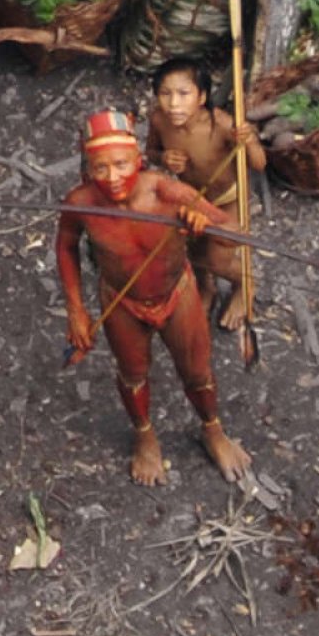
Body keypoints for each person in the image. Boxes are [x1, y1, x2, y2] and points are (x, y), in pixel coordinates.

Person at [57, 109, 252, 486]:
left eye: (121, 165)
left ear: (138, 160)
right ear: (86, 168)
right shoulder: (80, 202)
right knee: (132, 375)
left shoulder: (167, 192)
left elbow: (234, 233)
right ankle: (145, 436)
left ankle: (212, 429)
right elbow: (65, 248)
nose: (112, 178)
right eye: (100, 168)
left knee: (196, 371)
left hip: (175, 293)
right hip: (122, 301)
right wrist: (76, 309)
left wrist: (205, 224)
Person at [146, 57, 267, 329]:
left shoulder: (222, 125)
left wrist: (248, 142)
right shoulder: (159, 120)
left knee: (219, 258)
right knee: (194, 251)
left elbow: (259, 164)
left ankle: (245, 284)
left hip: (228, 200)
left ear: (201, 96)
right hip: (191, 198)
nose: (173, 104)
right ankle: (206, 288)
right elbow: (150, 152)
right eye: (165, 94)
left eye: (183, 94)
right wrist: (163, 158)